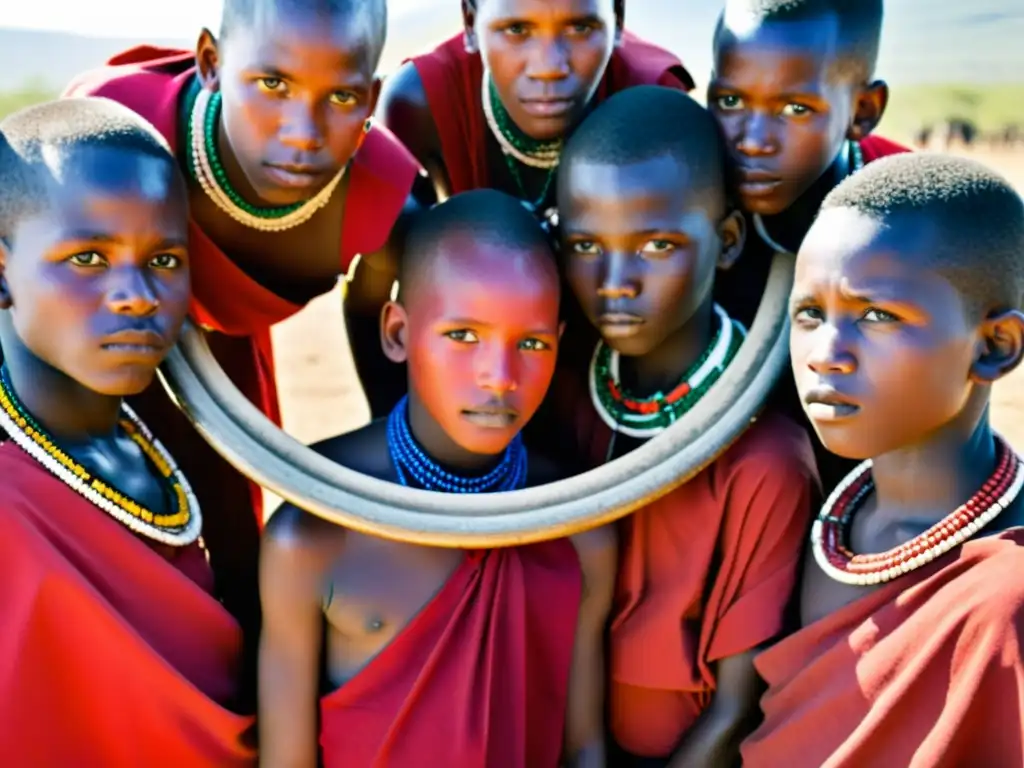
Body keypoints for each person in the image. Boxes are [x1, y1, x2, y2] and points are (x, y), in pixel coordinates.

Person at [62, 0, 430, 646]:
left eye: (341, 96)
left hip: (224, 342)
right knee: (162, 527)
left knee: (244, 545)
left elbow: (380, 349)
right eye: (272, 85)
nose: (302, 132)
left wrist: (394, 488)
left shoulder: (381, 199)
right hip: (114, 331)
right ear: (211, 63)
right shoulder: (119, 133)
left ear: (372, 97)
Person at [259, 190, 617, 768]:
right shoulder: (315, 531)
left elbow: (585, 749)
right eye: (463, 336)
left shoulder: (578, 526)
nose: (499, 377)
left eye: (530, 344)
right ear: (398, 333)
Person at [556, 86, 817, 767]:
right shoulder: (559, 399)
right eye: (585, 243)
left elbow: (734, 713)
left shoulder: (764, 460)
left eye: (656, 244)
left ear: (727, 241)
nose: (615, 280)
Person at [741, 153, 1024, 767]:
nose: (826, 354)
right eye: (811, 313)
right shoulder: (808, 516)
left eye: (877, 316)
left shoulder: (1007, 601)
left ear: (995, 347)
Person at [0, 97, 254, 765]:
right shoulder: (8, 500)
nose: (138, 294)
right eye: (87, 258)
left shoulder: (174, 443)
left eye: (165, 261)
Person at [707, 0, 908, 493]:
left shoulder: (910, 218)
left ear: (863, 111)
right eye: (731, 102)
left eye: (795, 109)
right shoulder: (693, 201)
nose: (753, 141)